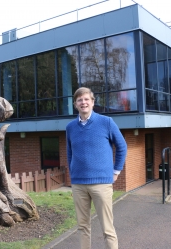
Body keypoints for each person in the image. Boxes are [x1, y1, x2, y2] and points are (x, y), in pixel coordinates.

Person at [66, 87, 127, 249]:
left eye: (86, 99)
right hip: (79, 185)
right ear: (75, 104)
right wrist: (73, 175)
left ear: (92, 102)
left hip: (101, 184)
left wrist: (116, 171)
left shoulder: (106, 122)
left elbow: (122, 147)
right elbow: (70, 153)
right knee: (83, 227)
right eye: (80, 100)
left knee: (107, 228)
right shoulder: (70, 127)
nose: (83, 102)